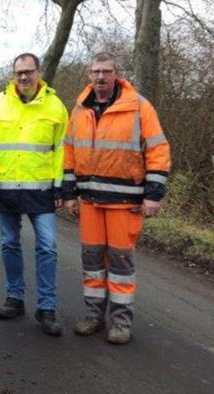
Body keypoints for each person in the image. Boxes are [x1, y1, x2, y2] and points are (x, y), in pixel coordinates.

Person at [62, 52, 171, 345]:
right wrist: (69, 194)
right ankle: (93, 315)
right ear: (88, 74)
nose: (100, 77)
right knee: (92, 261)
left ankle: (121, 322)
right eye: (96, 71)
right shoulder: (80, 109)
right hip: (90, 202)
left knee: (121, 264)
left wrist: (154, 194)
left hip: (126, 202)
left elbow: (158, 150)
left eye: (106, 71)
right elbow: (69, 153)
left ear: (116, 73)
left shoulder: (138, 106)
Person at [0, 53, 68, 336]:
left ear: (39, 72)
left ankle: (46, 307)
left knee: (47, 246)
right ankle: (15, 298)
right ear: (13, 74)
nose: (23, 77)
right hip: (5, 188)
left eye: (28, 71)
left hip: (42, 191)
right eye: (18, 72)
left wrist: (62, 186)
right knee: (9, 244)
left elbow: (63, 151)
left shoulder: (56, 106)